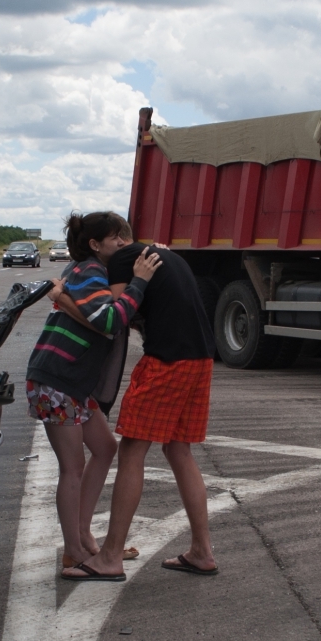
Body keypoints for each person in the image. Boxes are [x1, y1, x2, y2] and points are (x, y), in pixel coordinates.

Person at [26, 212, 158, 580]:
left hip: (74, 382)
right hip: (58, 377)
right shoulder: (88, 272)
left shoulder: (84, 271)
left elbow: (98, 319)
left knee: (105, 448)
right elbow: (110, 321)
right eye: (117, 238)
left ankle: (83, 535)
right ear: (96, 244)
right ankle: (73, 550)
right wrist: (140, 283)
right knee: (72, 467)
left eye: (127, 237)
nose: (124, 244)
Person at [78, 240, 217, 580]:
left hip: (168, 360)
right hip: (201, 359)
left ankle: (110, 557)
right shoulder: (164, 253)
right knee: (178, 449)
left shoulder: (126, 259)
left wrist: (67, 300)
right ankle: (202, 550)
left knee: (132, 451)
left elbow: (114, 314)